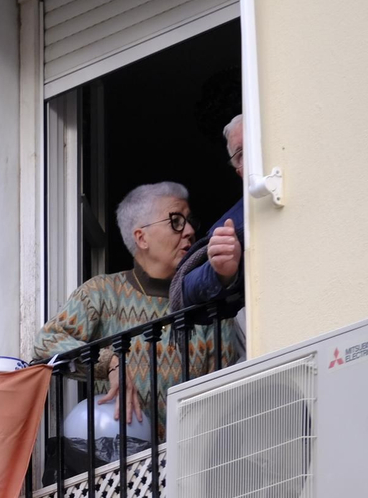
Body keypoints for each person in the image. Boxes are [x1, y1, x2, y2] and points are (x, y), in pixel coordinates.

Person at [31, 182, 243, 426]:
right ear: (142, 238)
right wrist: (110, 362)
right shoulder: (101, 292)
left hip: (192, 456)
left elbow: (226, 396)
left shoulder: (206, 303)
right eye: (176, 220)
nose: (189, 231)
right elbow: (45, 343)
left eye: (190, 221)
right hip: (119, 456)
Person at [171, 114, 245, 312]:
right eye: (241, 154)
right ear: (239, 170)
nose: (188, 230)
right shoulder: (230, 224)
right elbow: (184, 288)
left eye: (255, 142)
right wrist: (221, 273)